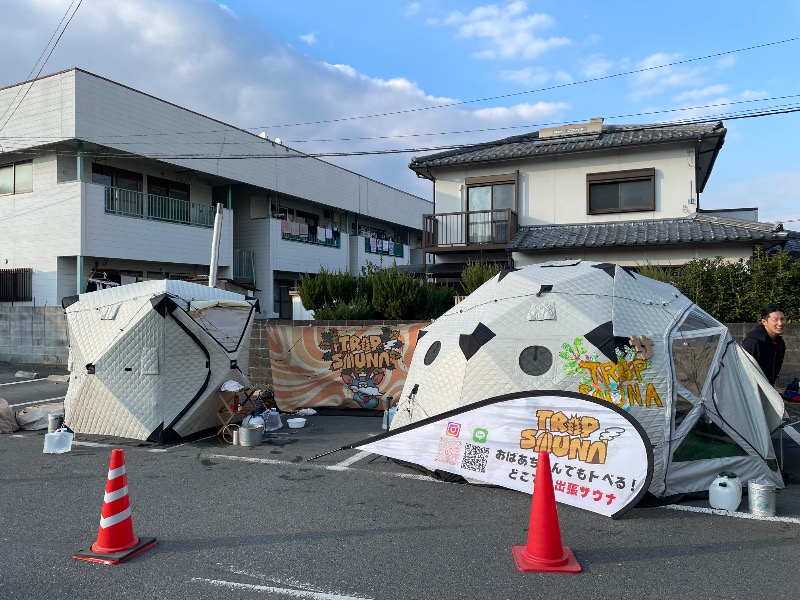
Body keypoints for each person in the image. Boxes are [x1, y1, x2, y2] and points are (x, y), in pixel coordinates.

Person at [742, 304, 786, 386]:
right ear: (764, 322)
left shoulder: (780, 343)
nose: (780, 323)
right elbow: (744, 372)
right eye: (775, 320)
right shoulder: (752, 342)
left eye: (782, 319)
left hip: (768, 390)